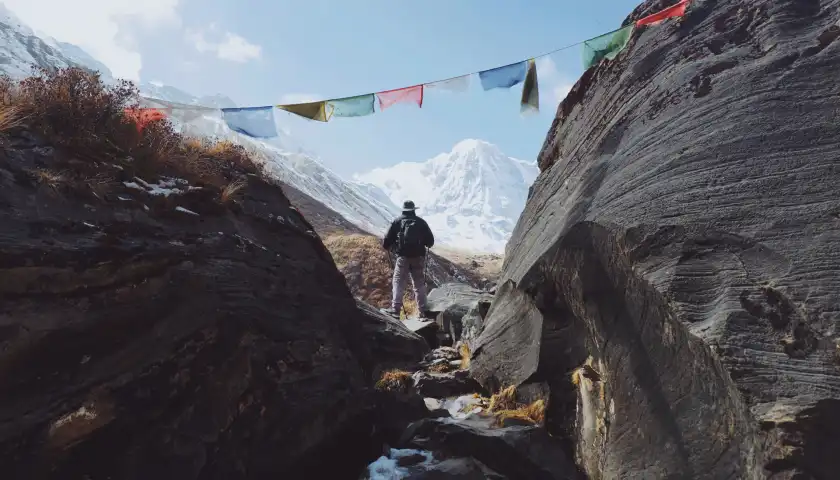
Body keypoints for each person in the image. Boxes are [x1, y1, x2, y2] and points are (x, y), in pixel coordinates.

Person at [382, 200, 435, 317]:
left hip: (403, 257)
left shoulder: (397, 221)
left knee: (398, 282)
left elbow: (386, 242)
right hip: (418, 258)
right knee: (419, 284)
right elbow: (430, 242)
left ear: (403, 209)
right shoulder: (421, 222)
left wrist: (391, 247)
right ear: (414, 210)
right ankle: (422, 311)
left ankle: (395, 310)